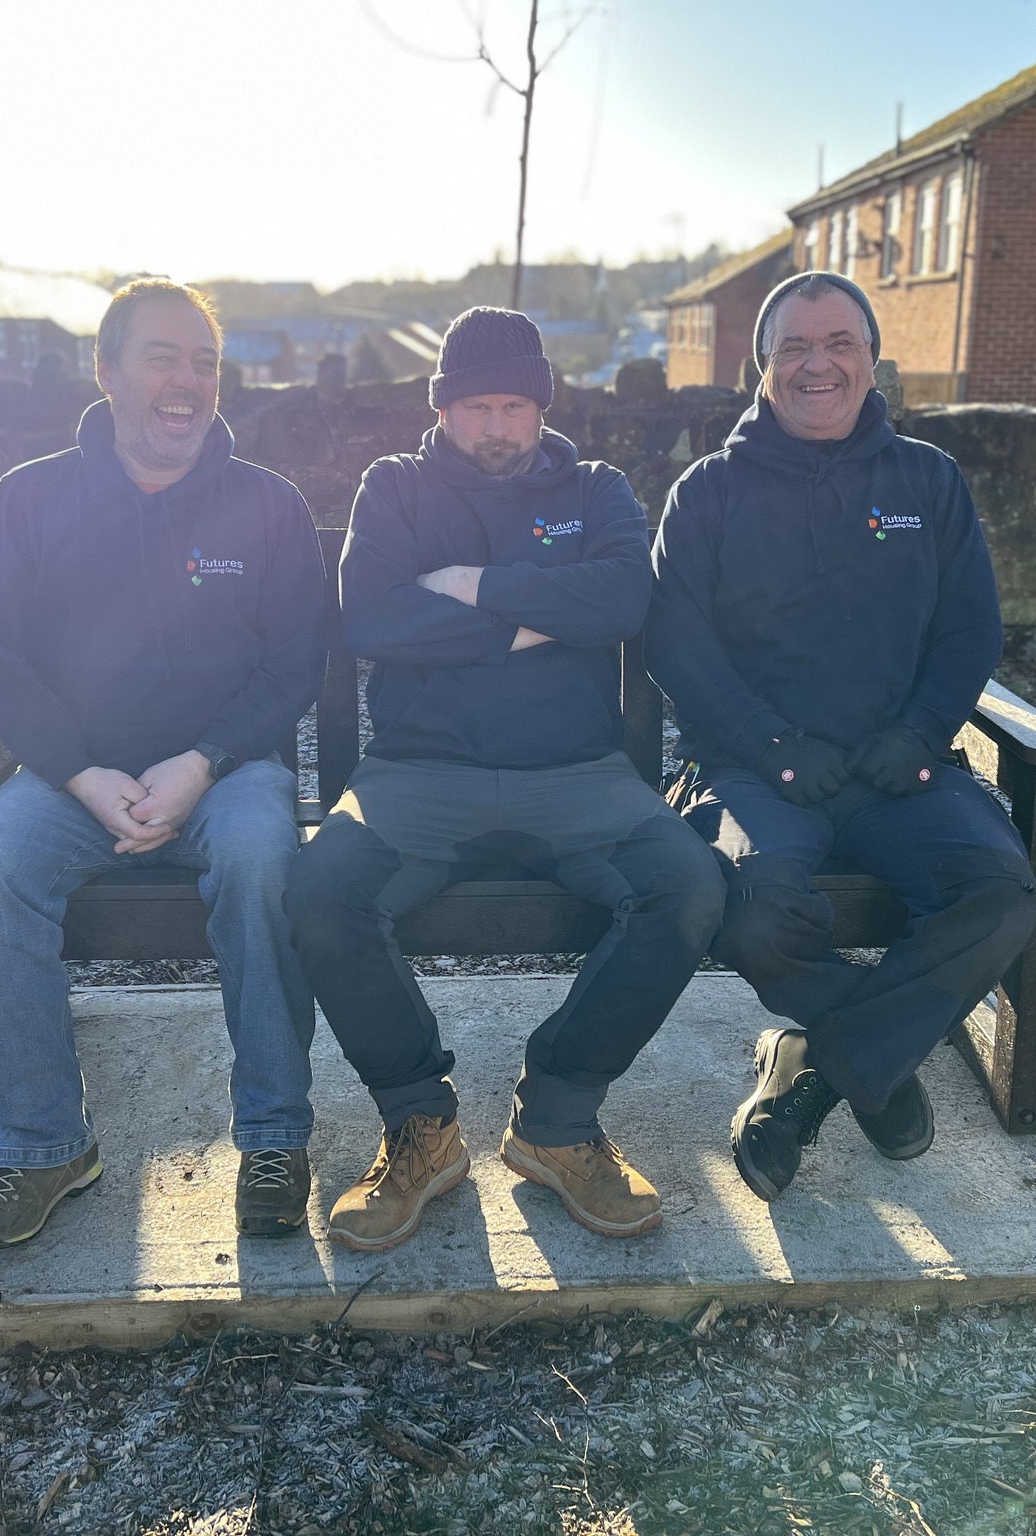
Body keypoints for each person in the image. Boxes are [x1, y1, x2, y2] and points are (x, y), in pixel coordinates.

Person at [286, 307, 724, 1252]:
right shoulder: (395, 486)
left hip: (577, 775)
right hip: (418, 774)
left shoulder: (597, 487)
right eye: (476, 405)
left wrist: (472, 586)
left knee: (688, 886)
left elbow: (620, 596)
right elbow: (374, 620)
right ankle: (420, 1124)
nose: (496, 426)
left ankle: (558, 1121)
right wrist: (538, 617)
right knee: (321, 890)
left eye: (513, 406)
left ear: (541, 406)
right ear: (444, 408)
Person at [0, 279, 326, 1248]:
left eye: (205, 362)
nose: (187, 380)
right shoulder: (29, 502)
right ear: (106, 371)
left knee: (263, 863)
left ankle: (275, 1136)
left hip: (226, 776)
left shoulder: (266, 508)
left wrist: (203, 760)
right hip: (75, 780)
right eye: (162, 356)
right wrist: (77, 773)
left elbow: (295, 664)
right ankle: (43, 1146)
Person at [648, 271, 1036, 1201]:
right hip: (752, 772)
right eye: (793, 347)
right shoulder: (709, 491)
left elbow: (970, 630)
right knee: (749, 912)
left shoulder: (927, 480)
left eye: (839, 346)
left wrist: (917, 735)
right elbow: (677, 642)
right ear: (763, 367)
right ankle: (880, 1063)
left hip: (899, 769)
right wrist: (773, 743)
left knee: (1002, 894)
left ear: (872, 365)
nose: (816, 364)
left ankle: (813, 1081)